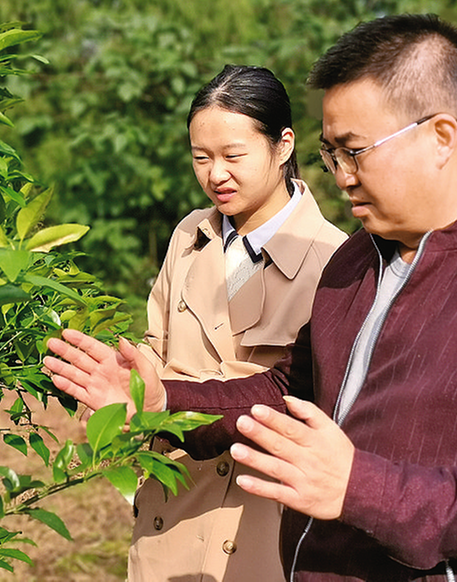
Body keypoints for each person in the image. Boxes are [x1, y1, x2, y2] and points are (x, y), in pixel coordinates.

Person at [45, 13, 457, 581]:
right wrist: (163, 399)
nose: (341, 177)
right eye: (332, 154)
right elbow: (287, 392)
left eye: (355, 151)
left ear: (440, 137)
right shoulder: (357, 262)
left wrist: (361, 488)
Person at [124, 65, 345, 582]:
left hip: (263, 525)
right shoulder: (189, 236)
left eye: (233, 156)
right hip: (171, 507)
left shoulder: (335, 261)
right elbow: (154, 344)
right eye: (201, 158)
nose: (215, 174)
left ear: (283, 145)